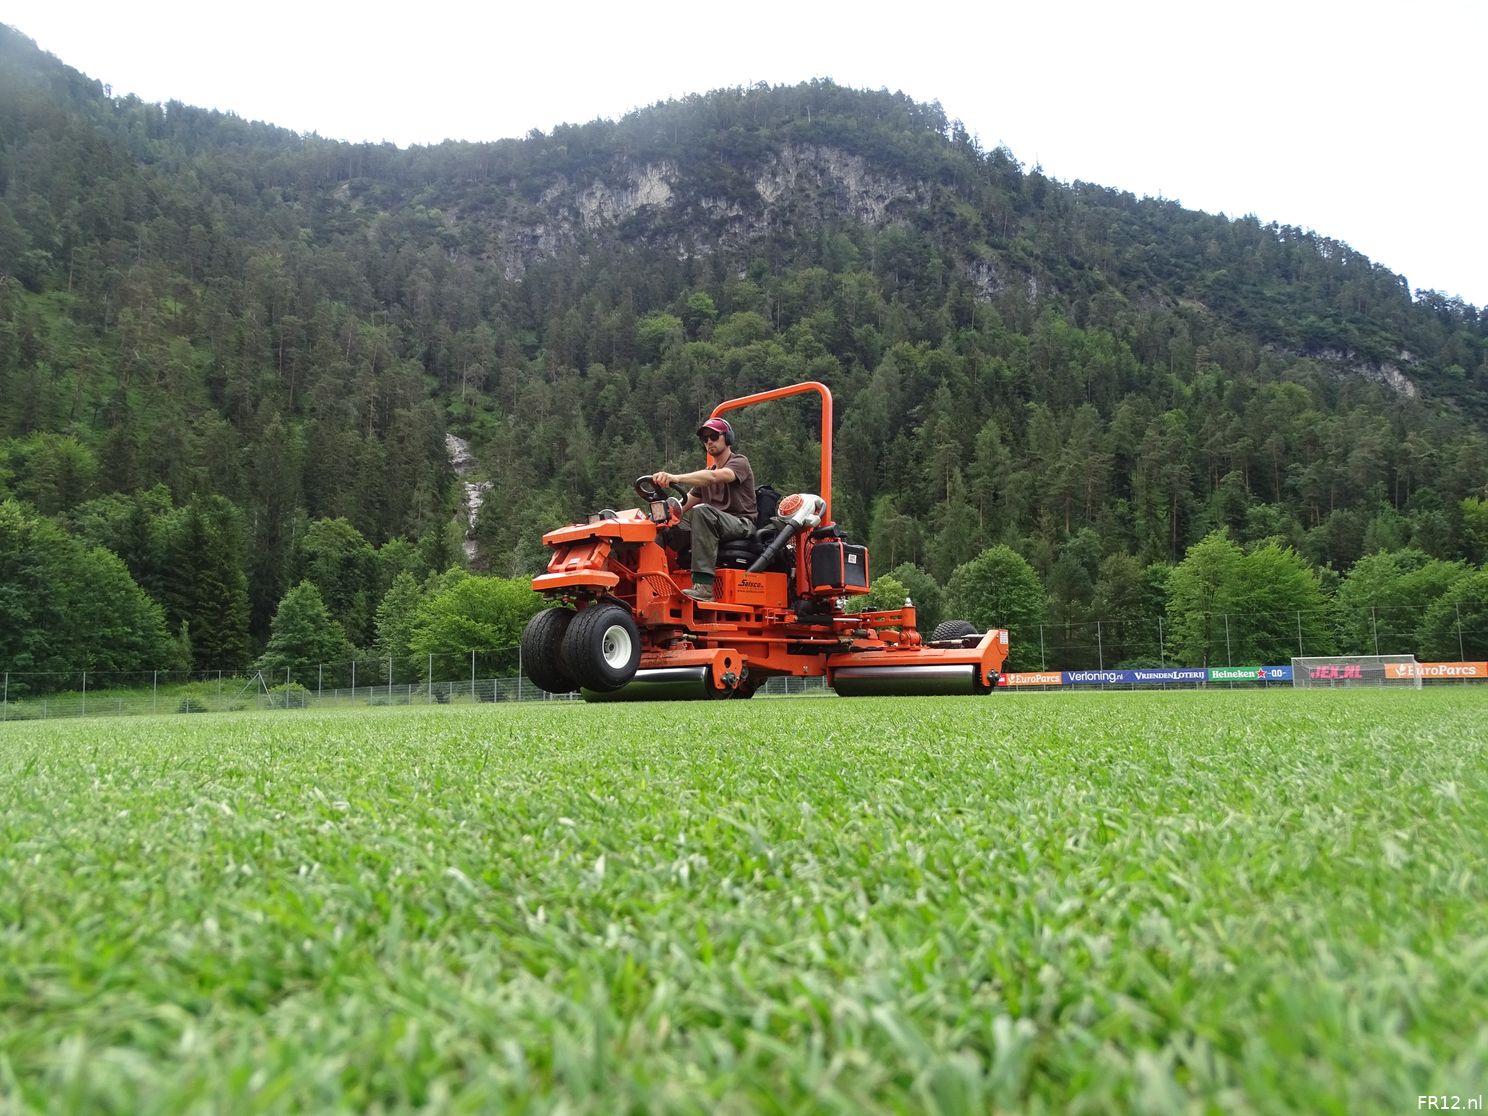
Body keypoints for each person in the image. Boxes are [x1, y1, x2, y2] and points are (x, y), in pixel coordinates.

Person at [651, 417, 756, 602]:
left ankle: (703, 587)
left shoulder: (739, 463)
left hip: (741, 523)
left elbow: (715, 477)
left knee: (701, 511)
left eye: (714, 436)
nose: (709, 441)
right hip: (713, 524)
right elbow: (682, 506)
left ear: (728, 438)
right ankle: (654, 582)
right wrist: (662, 513)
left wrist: (676, 477)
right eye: (705, 438)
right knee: (663, 520)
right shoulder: (705, 475)